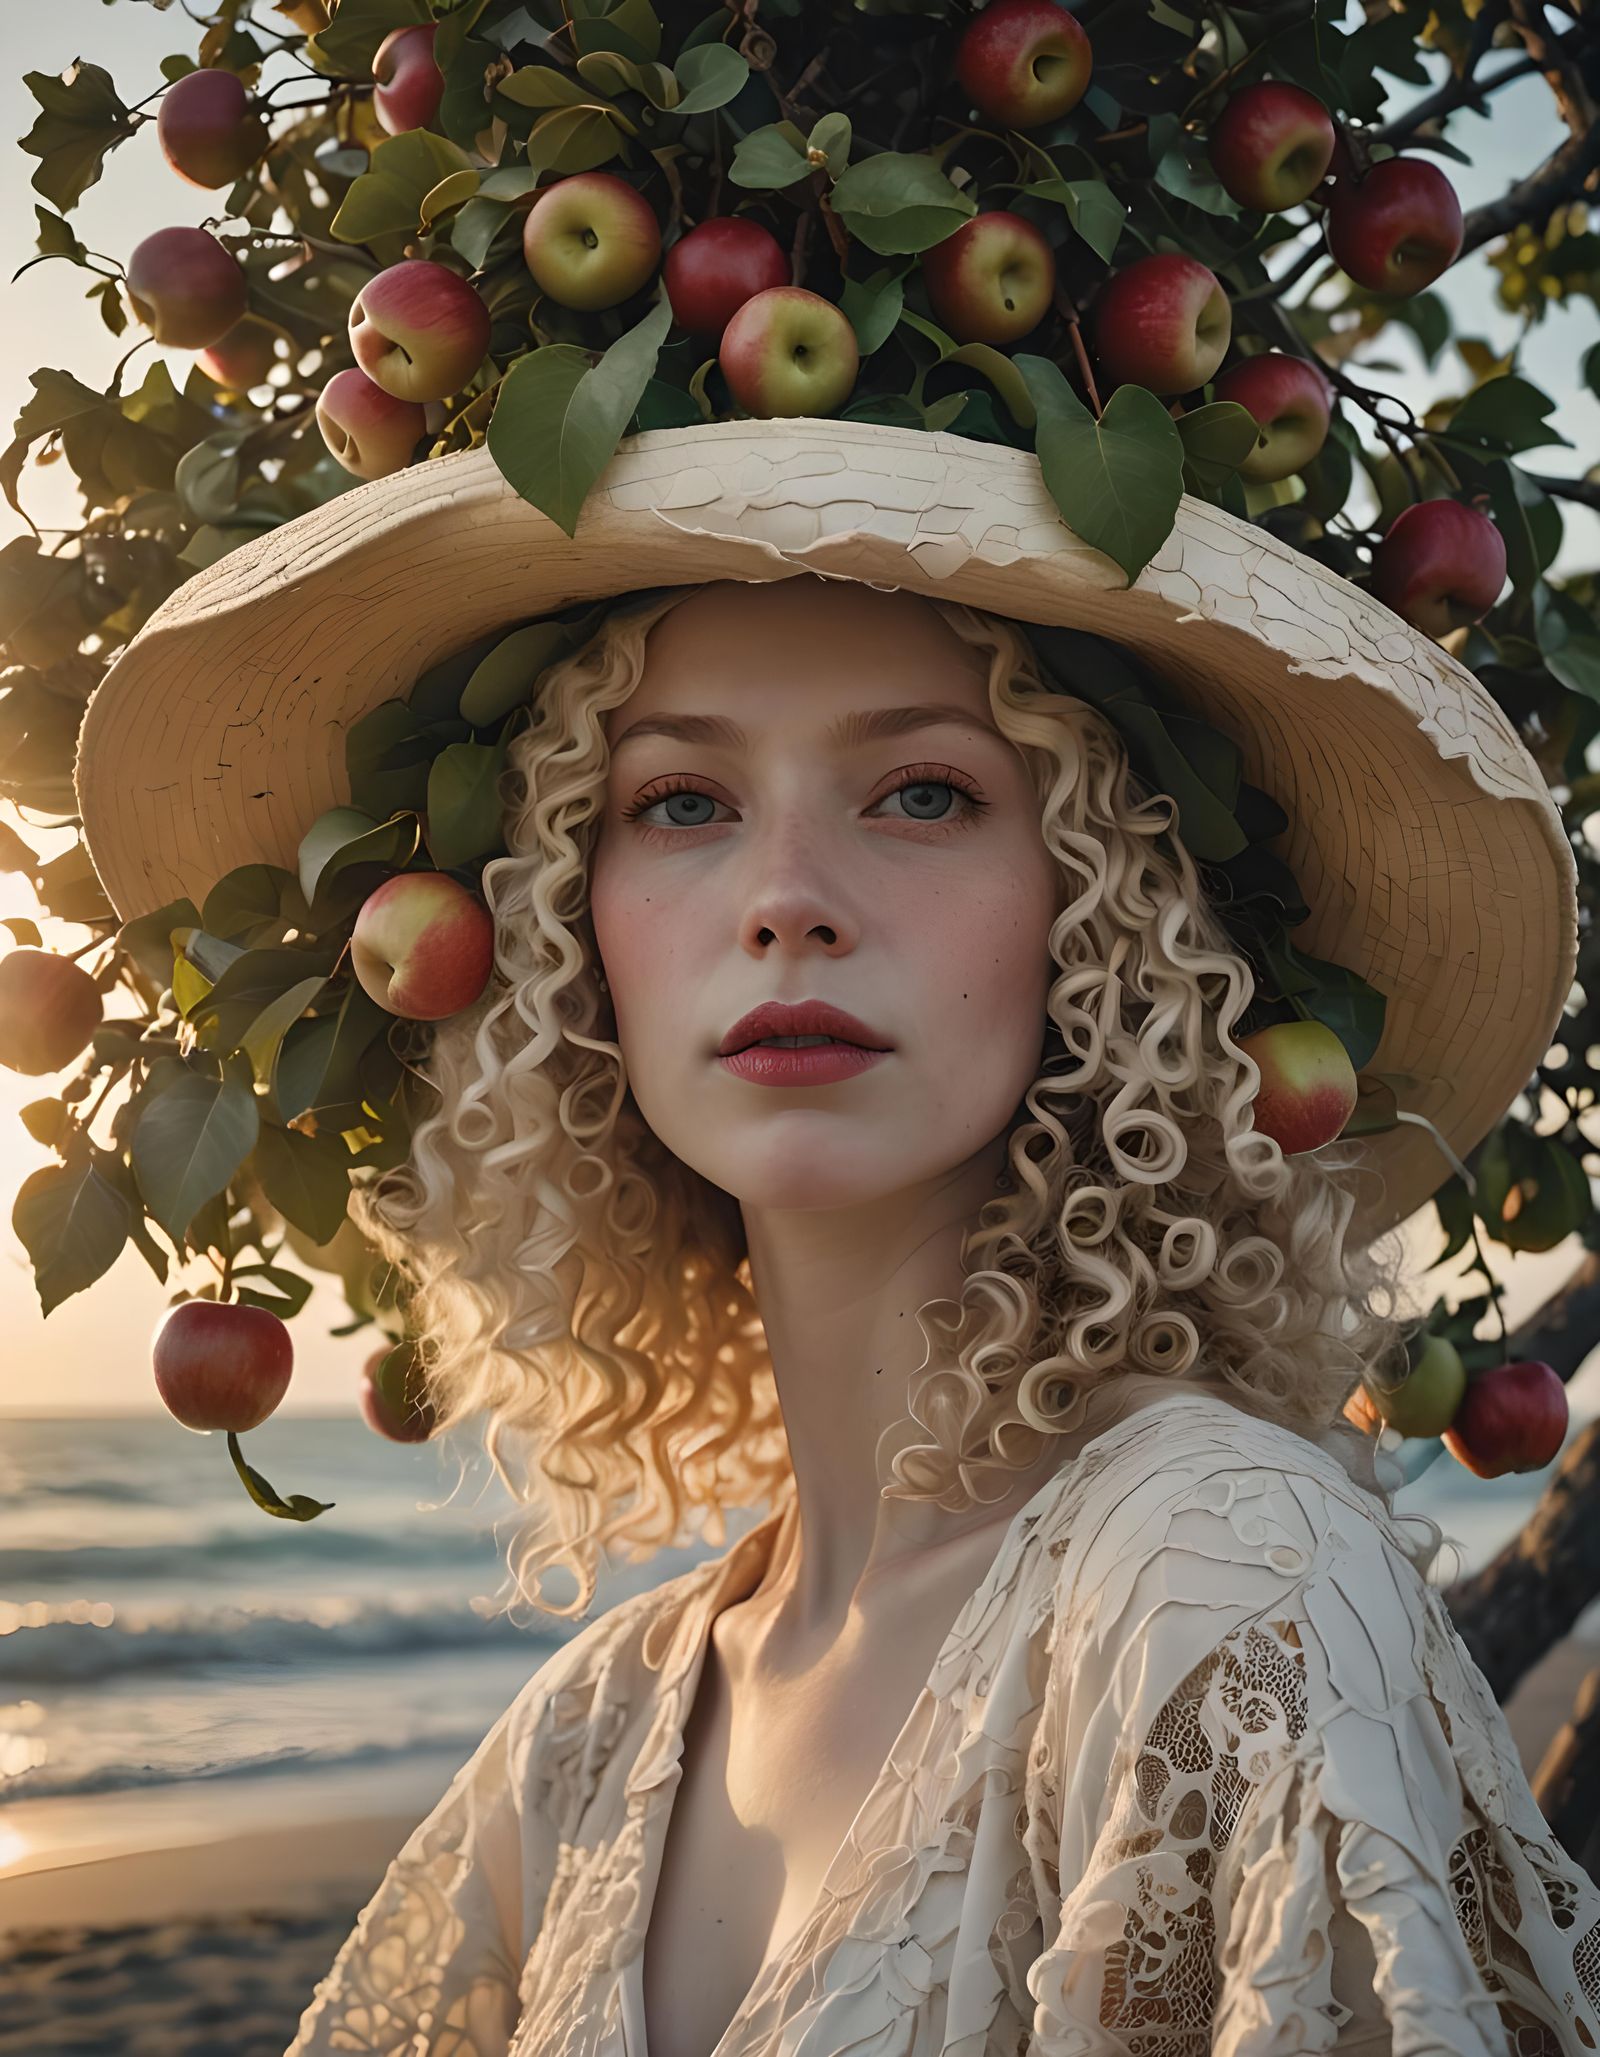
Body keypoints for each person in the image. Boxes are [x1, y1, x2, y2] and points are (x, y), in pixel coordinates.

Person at [70, 419, 1600, 2053]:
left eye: (924, 790)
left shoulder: (1216, 1574)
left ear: (1096, 913)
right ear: (566, 938)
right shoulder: (589, 1737)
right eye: (679, 801)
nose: (787, 893)